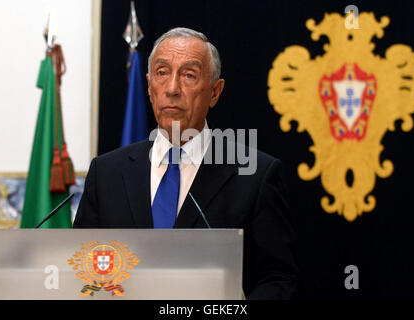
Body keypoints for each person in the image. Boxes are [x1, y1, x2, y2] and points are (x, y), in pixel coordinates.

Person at [74, 27, 299, 299]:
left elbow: (279, 280)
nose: (172, 89)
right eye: (162, 72)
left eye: (189, 75)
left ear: (215, 92)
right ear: (149, 86)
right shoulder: (106, 173)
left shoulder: (255, 176)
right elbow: (82, 271)